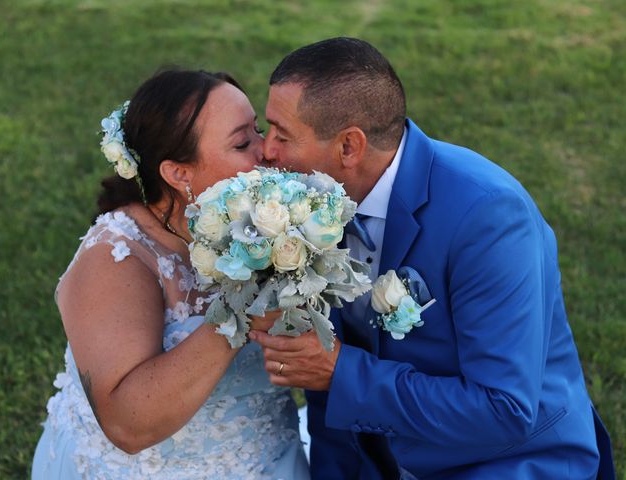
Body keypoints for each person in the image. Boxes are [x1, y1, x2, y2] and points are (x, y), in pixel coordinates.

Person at [251, 37, 614, 479]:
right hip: (378, 456)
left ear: (350, 147)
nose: (267, 151)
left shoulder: (487, 217)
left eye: (282, 134)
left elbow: (504, 411)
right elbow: (326, 388)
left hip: (505, 463)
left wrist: (343, 372)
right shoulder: (313, 202)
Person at [32, 69, 310, 479]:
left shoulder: (272, 223)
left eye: (258, 129)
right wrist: (243, 313)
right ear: (178, 173)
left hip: (268, 458)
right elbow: (127, 423)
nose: (267, 149)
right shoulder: (117, 257)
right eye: (242, 141)